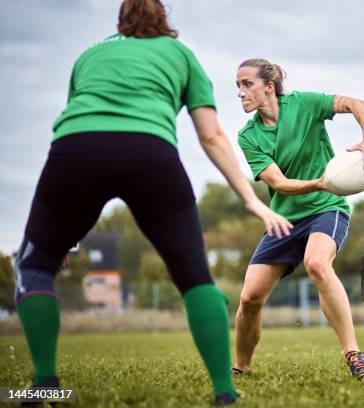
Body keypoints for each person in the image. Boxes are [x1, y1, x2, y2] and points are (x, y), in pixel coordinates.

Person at [13, 1, 292, 405]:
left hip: (75, 152)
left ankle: (43, 384)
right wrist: (252, 200)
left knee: (34, 265)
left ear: (120, 21)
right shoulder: (181, 55)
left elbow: (83, 116)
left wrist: (63, 242)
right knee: (195, 276)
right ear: (164, 19)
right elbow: (211, 136)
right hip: (150, 154)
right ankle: (224, 392)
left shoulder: (89, 55)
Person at [232, 58, 364, 379]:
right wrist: (320, 182)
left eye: (247, 84)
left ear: (268, 87)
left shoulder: (305, 104)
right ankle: (241, 368)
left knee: (317, 263)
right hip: (284, 218)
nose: (240, 93)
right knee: (249, 298)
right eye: (238, 86)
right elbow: (279, 183)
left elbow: (357, 104)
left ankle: (353, 354)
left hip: (327, 207)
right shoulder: (249, 136)